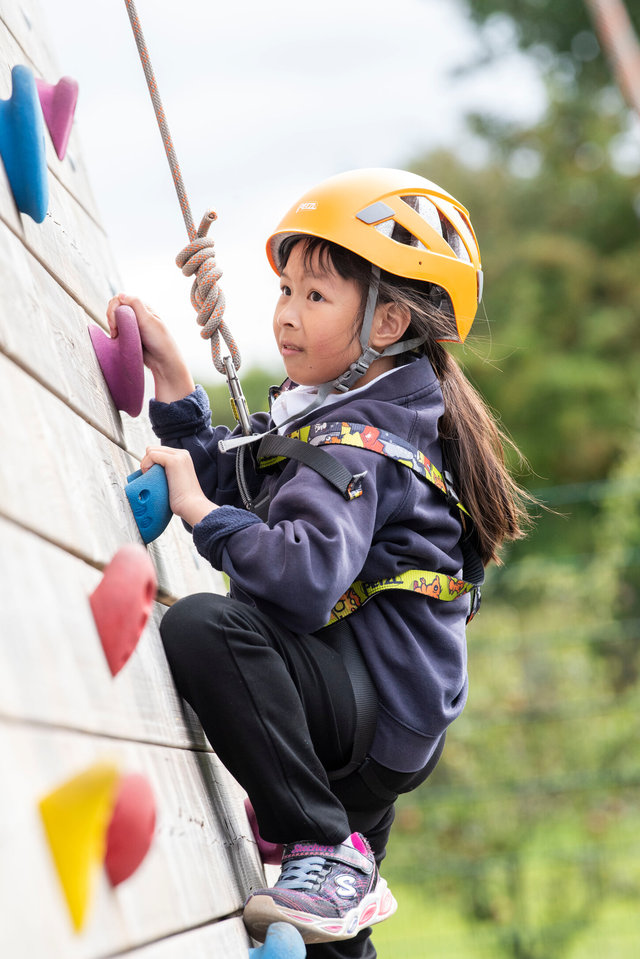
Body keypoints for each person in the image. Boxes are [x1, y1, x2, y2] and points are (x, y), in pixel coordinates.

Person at [107, 168, 531, 957]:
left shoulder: (363, 442)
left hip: (367, 710)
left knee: (206, 627)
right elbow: (231, 471)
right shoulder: (352, 412)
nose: (286, 316)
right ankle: (334, 859)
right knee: (328, 941)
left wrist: (199, 512)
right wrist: (174, 382)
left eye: (315, 296)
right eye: (286, 290)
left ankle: (326, 847)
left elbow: (299, 581)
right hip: (374, 700)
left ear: (385, 322)